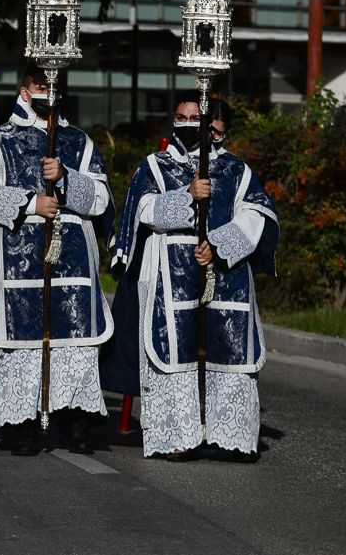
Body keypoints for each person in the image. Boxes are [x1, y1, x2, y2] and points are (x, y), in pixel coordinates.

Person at [108, 94, 278, 462]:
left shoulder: (235, 170)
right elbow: (143, 210)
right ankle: (177, 436)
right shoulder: (154, 166)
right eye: (181, 116)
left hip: (225, 271)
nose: (188, 123)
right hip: (168, 272)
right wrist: (187, 195)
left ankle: (228, 435)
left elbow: (255, 213)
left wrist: (217, 245)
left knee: (228, 348)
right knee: (175, 351)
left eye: (195, 117)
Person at [0, 62, 114, 455]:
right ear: (26, 90)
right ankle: (24, 424)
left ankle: (74, 419)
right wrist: (31, 203)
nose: (50, 92)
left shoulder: (80, 142)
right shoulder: (0, 140)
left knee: (73, 342)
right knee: (20, 343)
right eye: (41, 85)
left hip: (72, 263)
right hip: (16, 259)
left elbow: (100, 199)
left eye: (56, 85)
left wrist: (65, 179)